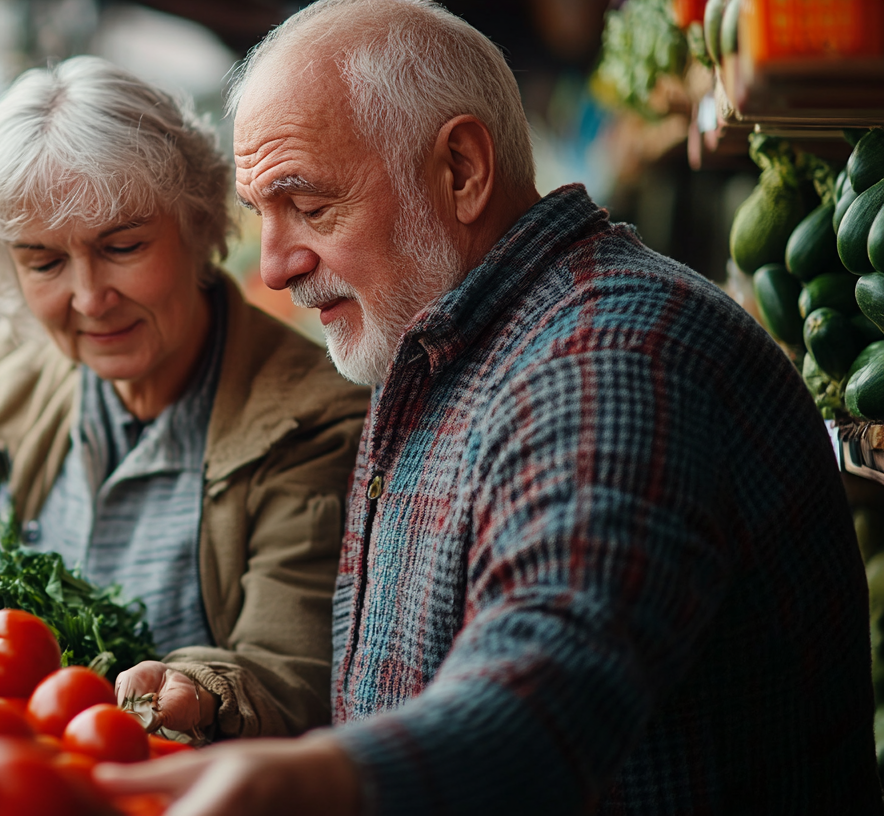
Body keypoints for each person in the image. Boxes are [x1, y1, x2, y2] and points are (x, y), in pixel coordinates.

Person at [96, 1, 884, 813]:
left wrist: (311, 779)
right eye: (262, 214)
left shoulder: (611, 356)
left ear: (463, 170)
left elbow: (549, 676)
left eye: (312, 205)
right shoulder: (445, 343)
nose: (273, 268)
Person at [0, 56, 370, 741]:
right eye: (43, 262)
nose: (89, 299)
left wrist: (196, 691)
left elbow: (288, 669)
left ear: (196, 224)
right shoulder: (27, 358)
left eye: (123, 246)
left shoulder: (312, 417)